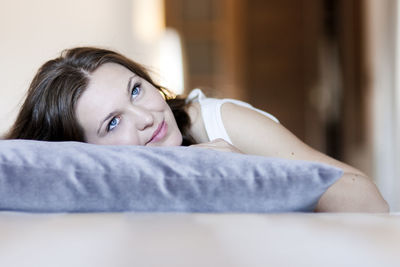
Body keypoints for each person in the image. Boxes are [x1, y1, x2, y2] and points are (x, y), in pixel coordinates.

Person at [5, 47, 389, 212]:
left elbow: (369, 200)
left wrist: (249, 173)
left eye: (136, 89)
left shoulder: (215, 120)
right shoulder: (89, 183)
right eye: (113, 122)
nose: (146, 117)